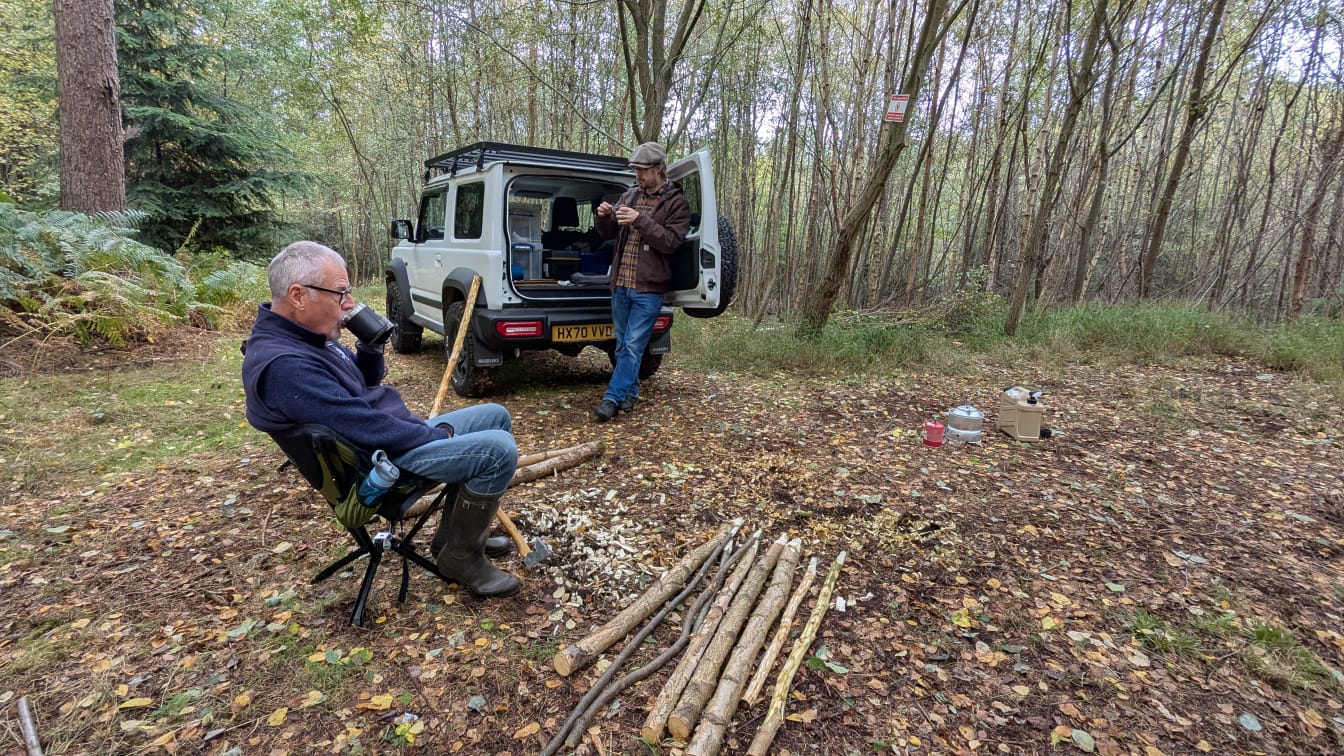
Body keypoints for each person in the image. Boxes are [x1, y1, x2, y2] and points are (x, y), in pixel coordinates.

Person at [240, 241, 520, 597]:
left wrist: (370, 346)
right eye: (340, 293)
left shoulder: (305, 336)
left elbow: (364, 384)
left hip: (387, 439)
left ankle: (454, 540)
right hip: (378, 464)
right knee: (497, 451)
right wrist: (436, 436)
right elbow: (364, 427)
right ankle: (462, 559)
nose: (348, 303)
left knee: (495, 416)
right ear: (298, 296)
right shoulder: (286, 366)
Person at [592, 142, 691, 422]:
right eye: (635, 170)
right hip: (621, 284)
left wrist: (640, 220)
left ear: (659, 169)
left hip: (649, 289)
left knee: (633, 346)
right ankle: (631, 393)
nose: (638, 175)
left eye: (642, 170)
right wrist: (603, 217)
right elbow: (609, 233)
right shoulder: (630, 194)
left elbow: (671, 242)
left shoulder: (676, 203)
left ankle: (612, 398)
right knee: (623, 345)